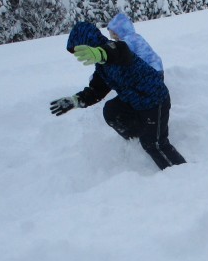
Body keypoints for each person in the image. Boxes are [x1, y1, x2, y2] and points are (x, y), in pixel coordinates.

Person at [49, 21, 186, 170]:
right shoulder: (102, 68)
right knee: (111, 110)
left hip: (154, 100)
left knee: (153, 144)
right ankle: (137, 138)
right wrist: (75, 100)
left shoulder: (115, 49)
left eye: (81, 50)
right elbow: (96, 91)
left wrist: (100, 53)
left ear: (87, 42)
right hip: (135, 102)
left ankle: (182, 173)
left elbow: (120, 51)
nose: (80, 56)